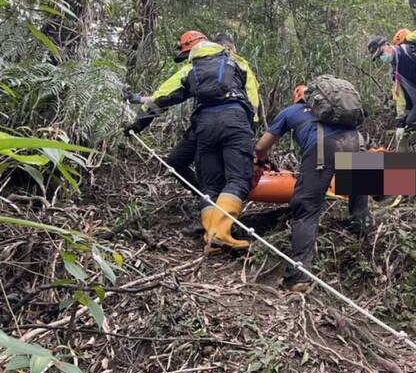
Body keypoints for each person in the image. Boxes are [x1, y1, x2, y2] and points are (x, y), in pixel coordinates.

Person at [124, 31, 261, 252]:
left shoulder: (192, 68)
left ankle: (211, 235)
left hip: (205, 125)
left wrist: (138, 124)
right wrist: (249, 129)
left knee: (211, 184)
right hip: (234, 119)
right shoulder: (237, 64)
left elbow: (162, 96)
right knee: (237, 178)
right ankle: (221, 234)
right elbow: (253, 100)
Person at [254, 84, 370, 293]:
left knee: (306, 208)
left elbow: (262, 146)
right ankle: (361, 239)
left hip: (324, 146)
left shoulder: (290, 112)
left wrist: (261, 161)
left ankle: (298, 278)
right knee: (358, 195)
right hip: (356, 140)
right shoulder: (337, 113)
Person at [367, 35, 416, 153]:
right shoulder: (394, 72)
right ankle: (403, 158)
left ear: (387, 45)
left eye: (381, 53)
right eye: (379, 56)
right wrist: (400, 123)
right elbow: (400, 98)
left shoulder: (409, 50)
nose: (382, 57)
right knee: (409, 124)